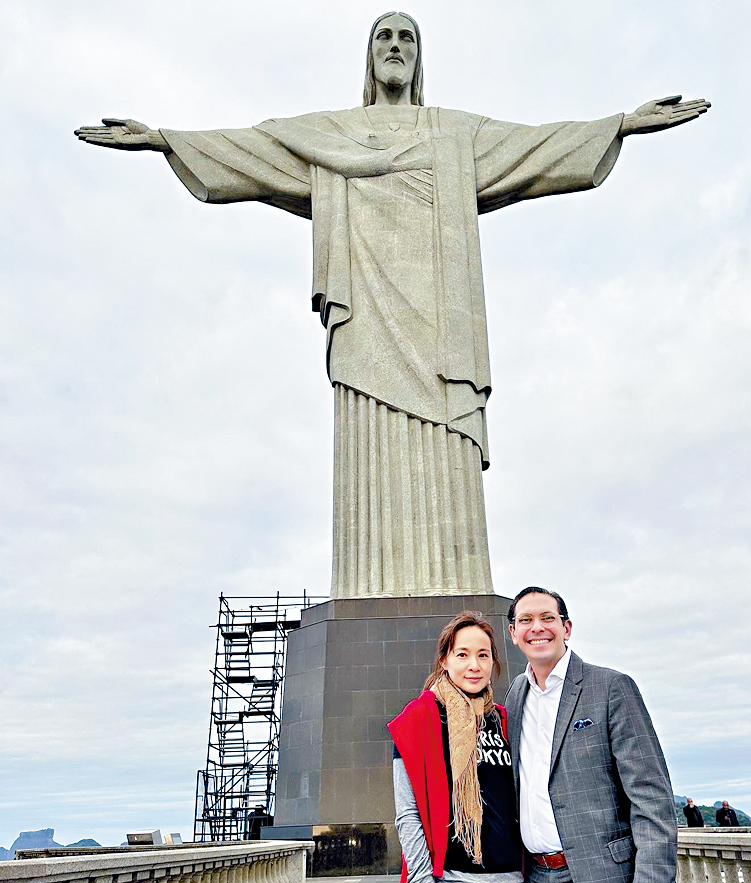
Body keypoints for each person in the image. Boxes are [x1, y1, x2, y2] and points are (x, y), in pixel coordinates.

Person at [75, 13, 709, 602]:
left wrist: (621, 124)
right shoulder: (331, 136)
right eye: (385, 38)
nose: (396, 48)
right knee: (369, 457)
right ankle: (367, 589)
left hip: (441, 323)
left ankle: (456, 587)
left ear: (420, 57)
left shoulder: (456, 133)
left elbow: (535, 148)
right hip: (366, 320)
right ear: (369, 58)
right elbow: (254, 151)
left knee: (445, 447)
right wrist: (163, 140)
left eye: (407, 38)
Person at [504, 587, 677, 883]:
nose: (537, 627)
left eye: (547, 617)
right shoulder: (514, 699)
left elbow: (652, 799)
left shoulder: (610, 688)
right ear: (513, 633)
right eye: (525, 620)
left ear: (567, 627)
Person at [388, 612, 526, 883]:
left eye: (483, 655)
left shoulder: (504, 720)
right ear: (444, 659)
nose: (474, 665)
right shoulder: (420, 718)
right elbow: (407, 814)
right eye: (462, 654)